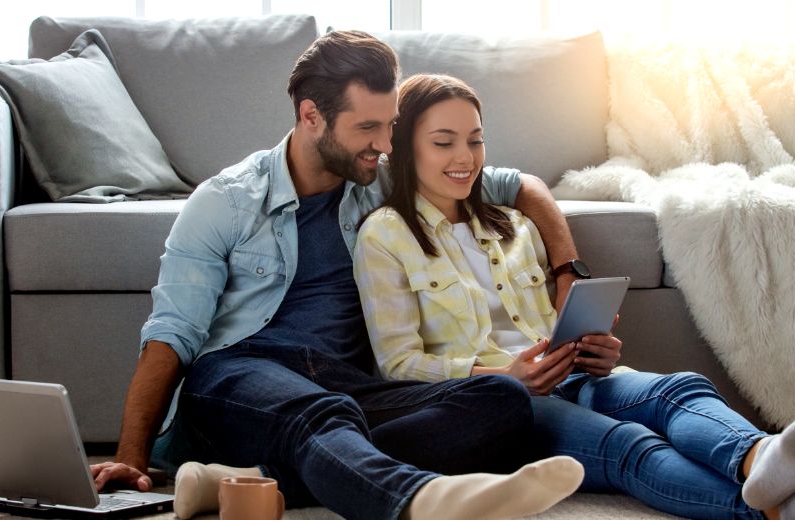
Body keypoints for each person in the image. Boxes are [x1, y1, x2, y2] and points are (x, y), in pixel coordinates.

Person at [89, 32, 590, 520]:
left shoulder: (379, 176)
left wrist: (567, 274)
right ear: (312, 116)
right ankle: (416, 500)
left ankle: (240, 479)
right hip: (239, 374)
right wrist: (132, 456)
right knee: (323, 414)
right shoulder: (226, 202)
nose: (386, 144)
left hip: (343, 386)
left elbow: (518, 185)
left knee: (500, 398)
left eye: (391, 124)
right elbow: (171, 335)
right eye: (368, 127)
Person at [353, 73, 795, 520]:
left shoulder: (513, 226)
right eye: (444, 142)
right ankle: (775, 511)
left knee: (678, 389)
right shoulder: (384, 236)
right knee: (626, 446)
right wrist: (499, 377)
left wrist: (589, 347)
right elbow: (397, 364)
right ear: (406, 147)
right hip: (506, 403)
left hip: (573, 376)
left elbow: (547, 322)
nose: (465, 158)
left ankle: (761, 457)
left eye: (475, 140)